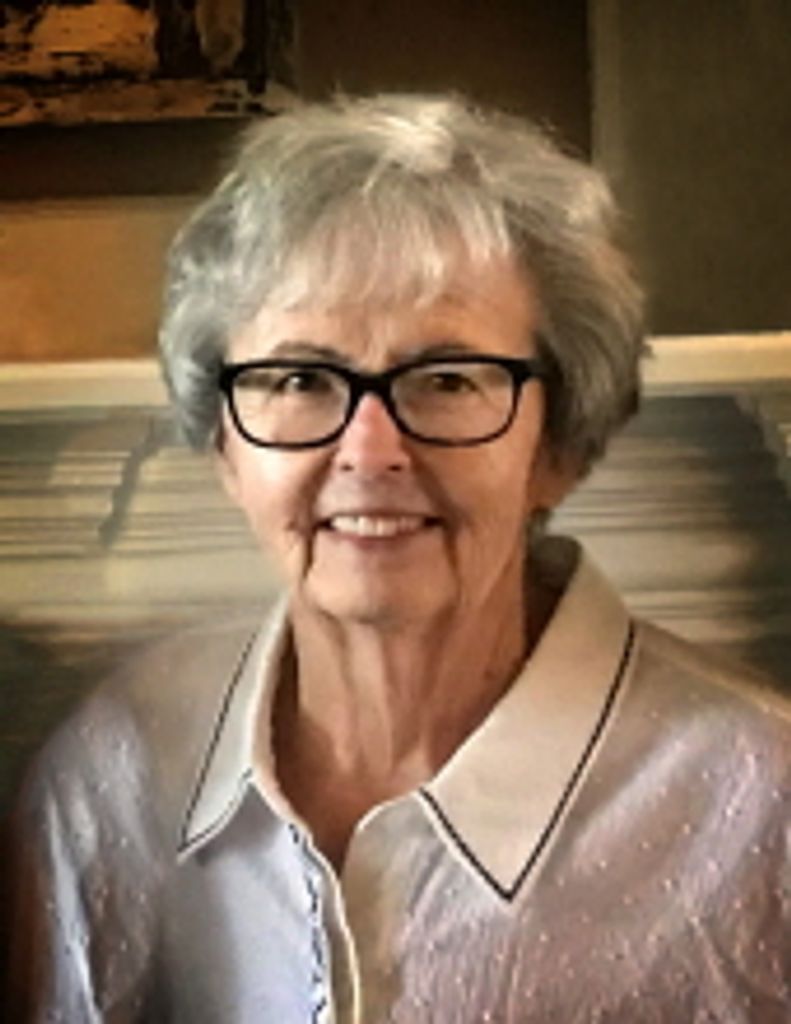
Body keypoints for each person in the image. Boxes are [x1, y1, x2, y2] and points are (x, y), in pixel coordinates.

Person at [3, 93, 789, 1023]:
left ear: (559, 446)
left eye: (446, 379)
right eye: (300, 378)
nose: (370, 452)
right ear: (224, 448)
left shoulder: (760, 805)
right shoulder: (119, 766)